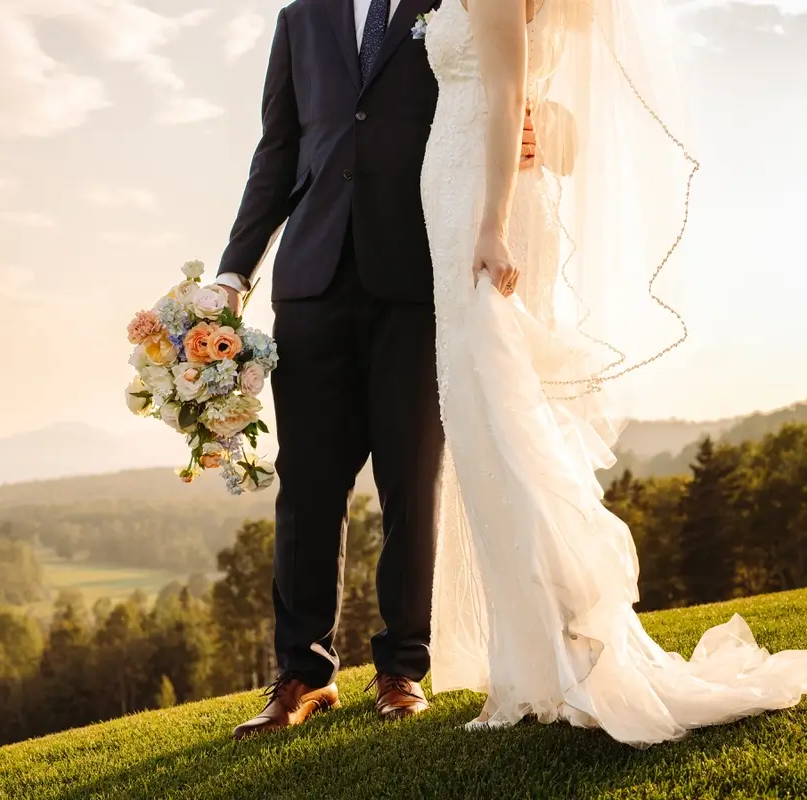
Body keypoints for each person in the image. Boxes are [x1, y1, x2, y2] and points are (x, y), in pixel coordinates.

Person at [420, 0, 807, 746]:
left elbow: (510, 92)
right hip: (459, 193)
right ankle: (531, 664)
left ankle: (569, 655)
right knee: (483, 419)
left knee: (505, 417)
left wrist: (492, 224)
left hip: (485, 206)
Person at [214, 0, 539, 739]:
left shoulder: (452, 6)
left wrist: (527, 133)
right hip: (311, 280)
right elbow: (277, 150)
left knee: (410, 480)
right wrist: (235, 272)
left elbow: (497, 92)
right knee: (308, 488)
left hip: (419, 274)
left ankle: (402, 669)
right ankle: (302, 675)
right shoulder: (299, 18)